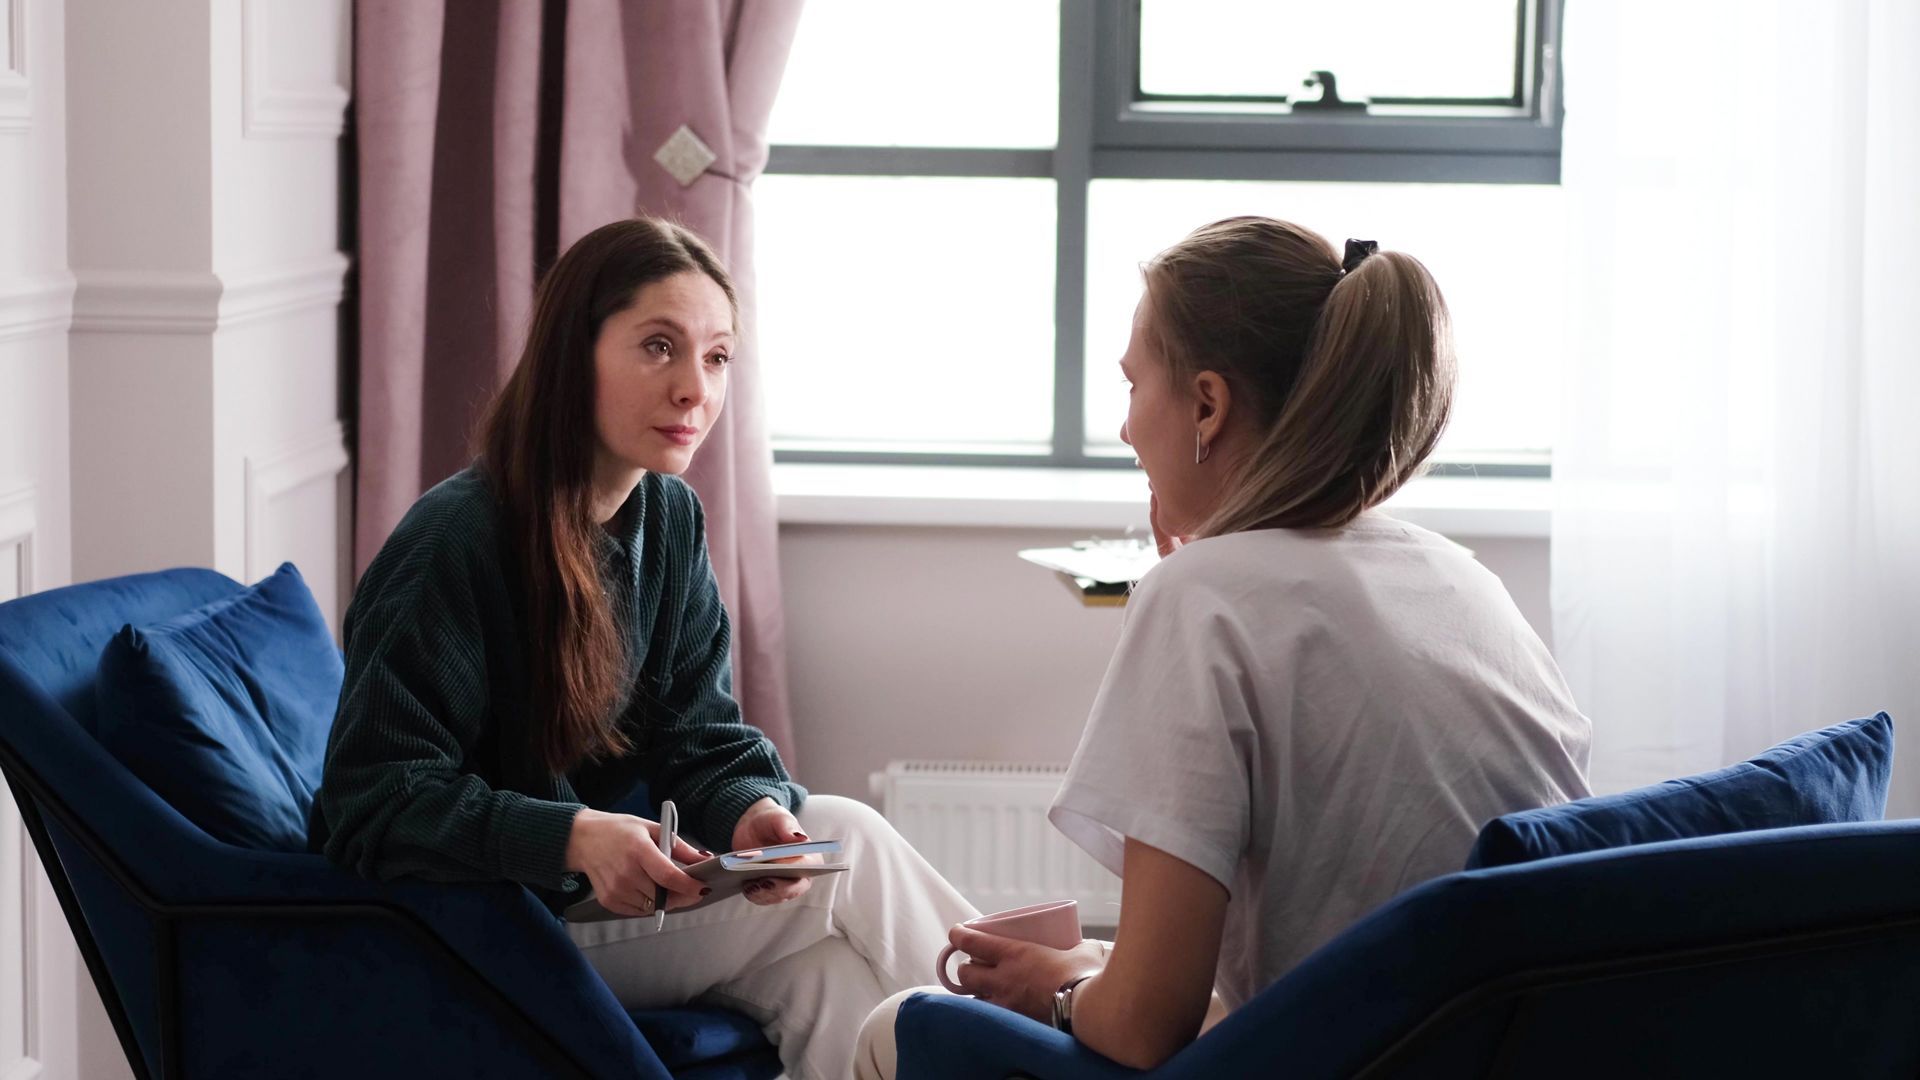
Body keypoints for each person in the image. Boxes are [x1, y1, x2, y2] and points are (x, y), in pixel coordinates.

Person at [855, 217, 1591, 1075]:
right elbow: (1332, 961)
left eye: (1134, 386)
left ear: (1207, 404)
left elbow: (1142, 1028)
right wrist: (1089, 973)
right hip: (1505, 1052)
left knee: (892, 1027)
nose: (1126, 430)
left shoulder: (1203, 596)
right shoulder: (1463, 581)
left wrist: (1062, 992)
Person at [312, 217, 977, 1080]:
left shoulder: (666, 517)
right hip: (484, 930)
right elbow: (372, 800)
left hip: (585, 909)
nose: (695, 389)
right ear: (574, 354)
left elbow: (698, 733)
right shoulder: (456, 541)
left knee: (828, 978)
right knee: (847, 842)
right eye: (659, 347)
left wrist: (749, 809)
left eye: (717, 357)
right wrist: (571, 837)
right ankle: (1033, 1040)